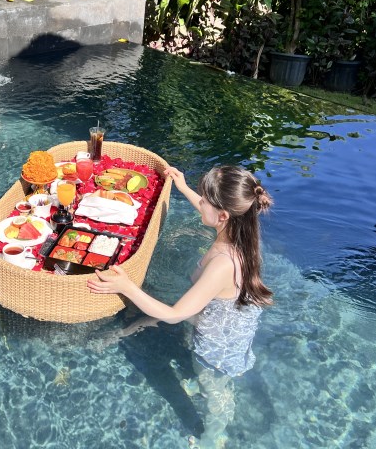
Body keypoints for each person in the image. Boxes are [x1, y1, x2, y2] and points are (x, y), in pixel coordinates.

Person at [87, 165, 273, 448]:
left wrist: (127, 287)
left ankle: (212, 437)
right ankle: (208, 386)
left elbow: (175, 315)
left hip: (218, 345)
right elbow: (208, 209)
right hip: (222, 319)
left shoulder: (224, 263)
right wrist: (183, 186)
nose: (200, 202)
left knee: (214, 391)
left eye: (204, 199)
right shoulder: (239, 232)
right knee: (204, 375)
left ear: (223, 215)